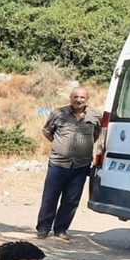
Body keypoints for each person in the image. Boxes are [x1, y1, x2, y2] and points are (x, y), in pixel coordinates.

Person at [36, 86, 102, 240]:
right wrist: (60, 145)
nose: (79, 100)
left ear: (87, 99)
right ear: (70, 98)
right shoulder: (58, 114)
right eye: (76, 97)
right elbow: (47, 131)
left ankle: (61, 229)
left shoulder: (95, 115)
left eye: (82, 97)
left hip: (81, 165)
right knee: (50, 197)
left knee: (71, 200)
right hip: (58, 163)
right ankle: (43, 228)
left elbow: (96, 134)